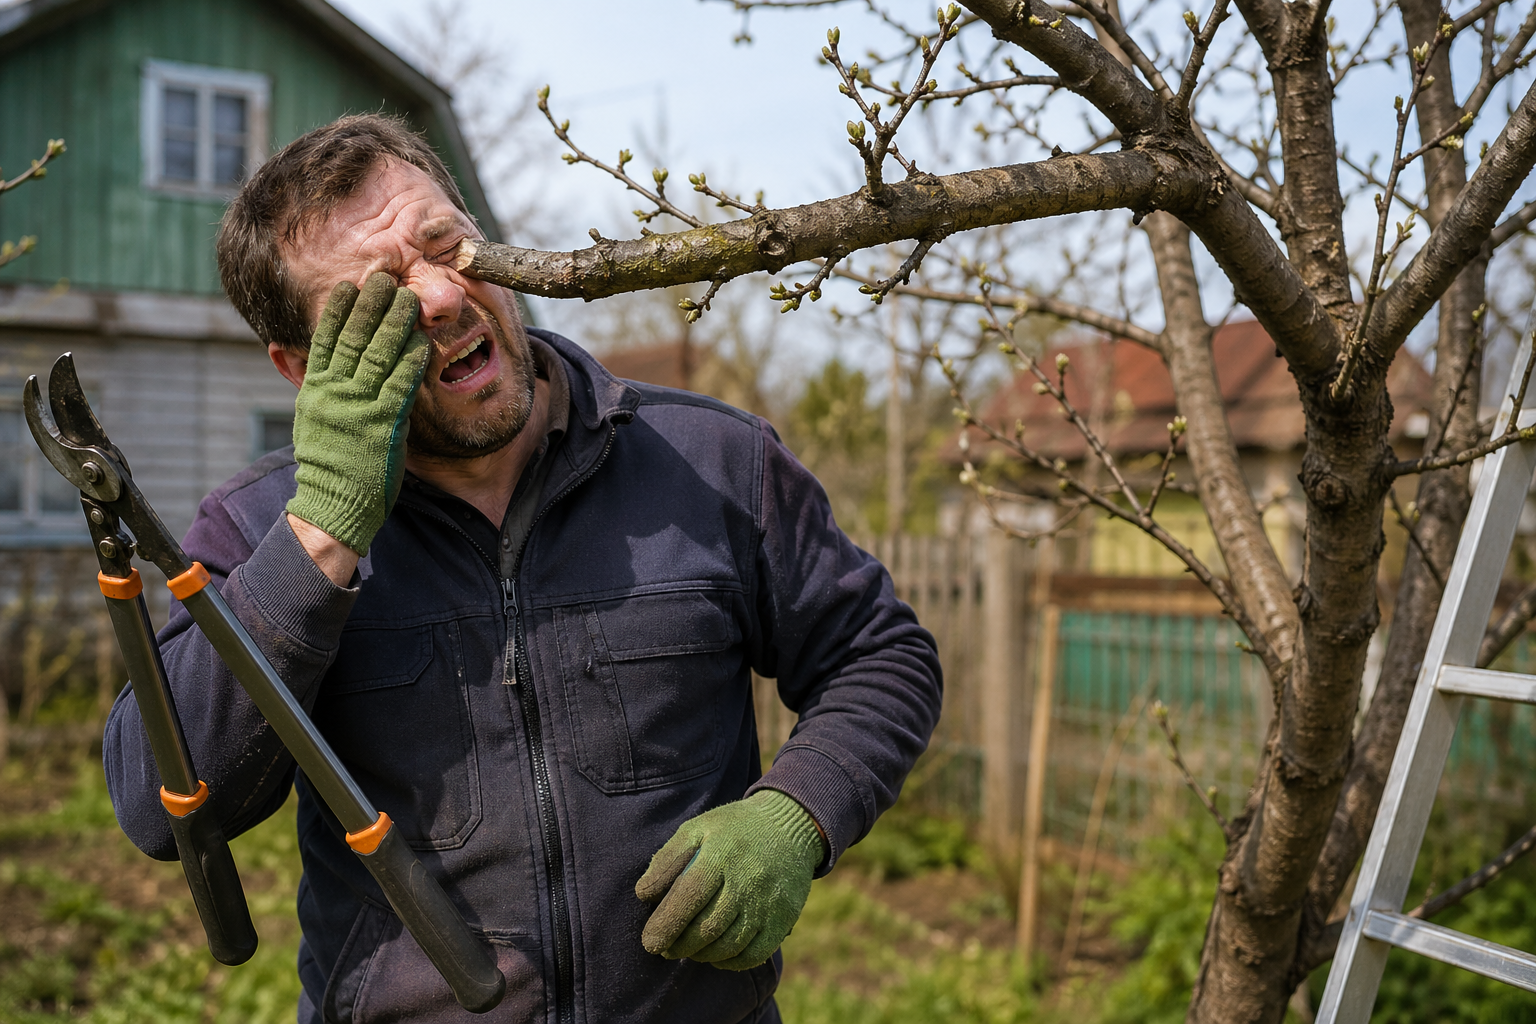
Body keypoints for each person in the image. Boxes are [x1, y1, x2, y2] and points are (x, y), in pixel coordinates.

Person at [102, 114, 942, 1024]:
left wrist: (799, 812)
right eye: (378, 297)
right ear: (303, 369)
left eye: (444, 245)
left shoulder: (712, 460)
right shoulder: (257, 525)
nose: (440, 298)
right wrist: (323, 537)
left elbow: (881, 654)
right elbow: (165, 807)